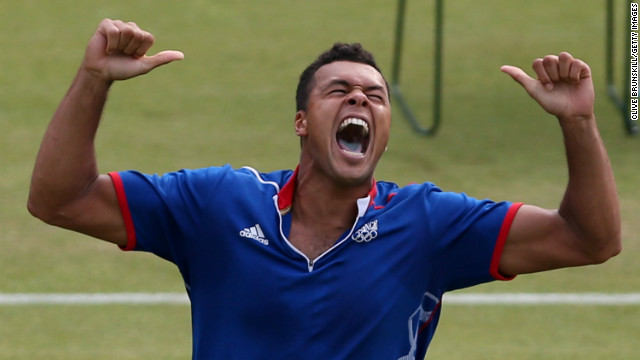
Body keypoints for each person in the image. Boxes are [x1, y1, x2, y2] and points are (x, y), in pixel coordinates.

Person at [28, 19, 621, 359]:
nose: (361, 98)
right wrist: (93, 80)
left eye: (376, 95)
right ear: (302, 122)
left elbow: (589, 240)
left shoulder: (428, 224)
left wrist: (578, 122)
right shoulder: (217, 205)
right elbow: (60, 199)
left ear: (384, 130)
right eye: (338, 90)